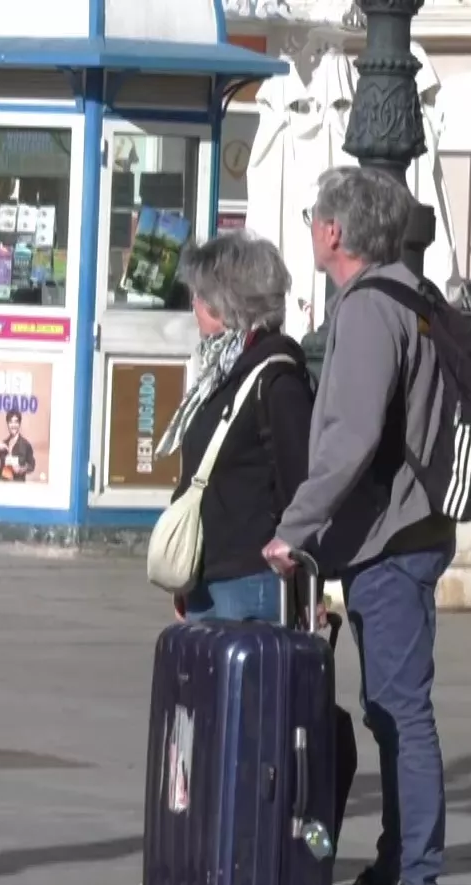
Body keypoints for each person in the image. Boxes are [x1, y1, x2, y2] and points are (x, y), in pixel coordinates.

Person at [264, 166, 457, 885]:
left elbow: (350, 436)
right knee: (390, 709)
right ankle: (399, 869)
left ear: (335, 232)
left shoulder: (372, 308)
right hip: (408, 531)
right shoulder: (414, 297)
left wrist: (296, 527)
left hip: (393, 540)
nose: (311, 225)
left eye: (315, 216)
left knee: (402, 711)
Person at [155, 230, 313, 623]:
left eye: (202, 296)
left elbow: (298, 482)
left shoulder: (276, 378)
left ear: (229, 303)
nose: (194, 305)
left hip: (251, 581)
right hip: (208, 579)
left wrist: (309, 589)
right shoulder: (221, 371)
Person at [0, 410, 35, 482]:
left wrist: (21, 469)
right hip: (2, 485)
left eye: (16, 422)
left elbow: (32, 466)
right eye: (10, 422)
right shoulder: (4, 443)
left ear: (19, 424)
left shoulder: (26, 444)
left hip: (18, 486)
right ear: (7, 424)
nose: (13, 425)